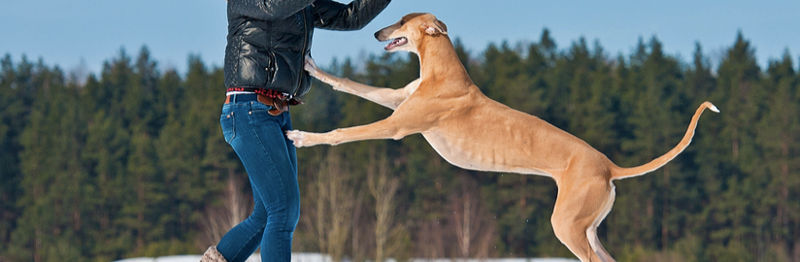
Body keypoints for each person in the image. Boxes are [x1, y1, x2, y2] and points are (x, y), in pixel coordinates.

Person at [202, 0, 391, 261]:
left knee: (266, 214)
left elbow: (351, 17)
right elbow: (275, 8)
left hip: (275, 112)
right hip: (248, 109)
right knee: (283, 210)